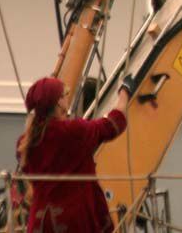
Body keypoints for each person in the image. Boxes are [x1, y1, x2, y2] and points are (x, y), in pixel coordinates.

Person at [16, 76, 130, 233]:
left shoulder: (23, 144)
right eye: (64, 95)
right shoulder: (73, 131)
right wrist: (125, 91)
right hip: (74, 221)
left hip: (39, 222)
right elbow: (113, 124)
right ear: (58, 102)